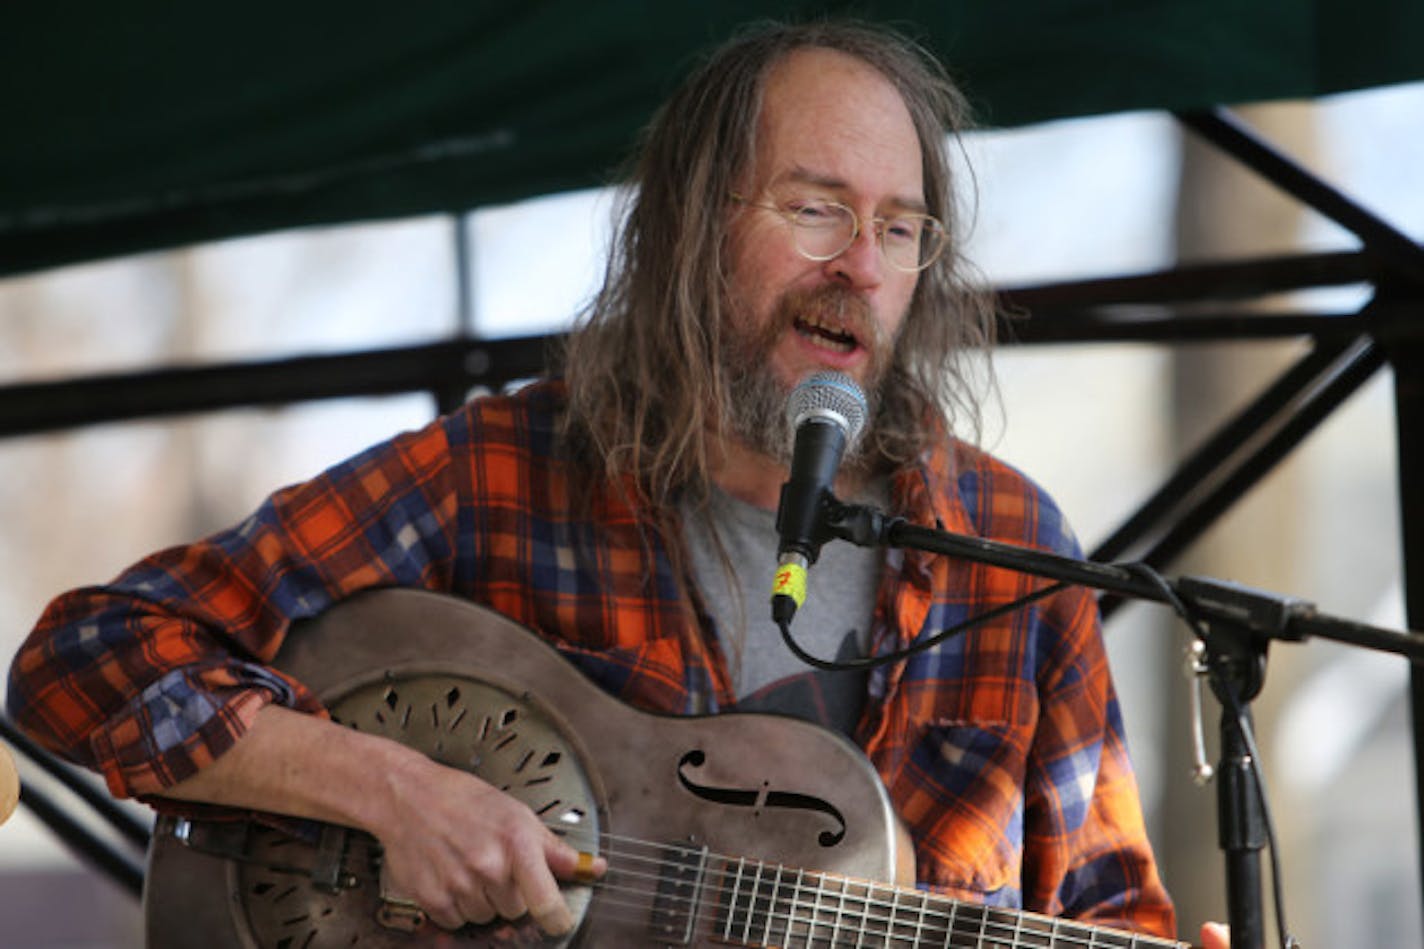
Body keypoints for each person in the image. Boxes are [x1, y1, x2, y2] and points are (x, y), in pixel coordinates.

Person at [8, 19, 1228, 948]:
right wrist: (396, 794)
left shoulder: (1008, 540)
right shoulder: (500, 473)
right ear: (693, 227)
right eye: (814, 209)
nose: (860, 266)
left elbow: (1105, 906)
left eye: (898, 230)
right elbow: (85, 660)